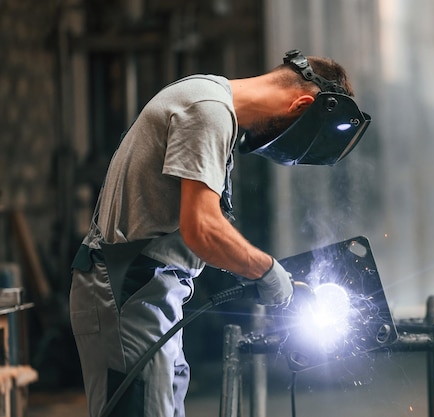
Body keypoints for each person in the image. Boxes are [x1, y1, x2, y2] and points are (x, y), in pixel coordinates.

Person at [69, 49, 371, 417]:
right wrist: (268, 270)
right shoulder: (208, 111)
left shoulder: (209, 103)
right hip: (127, 293)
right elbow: (203, 228)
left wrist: (264, 273)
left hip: (147, 293)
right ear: (300, 105)